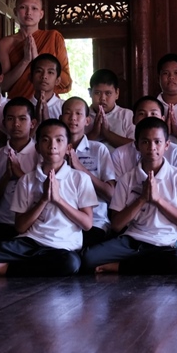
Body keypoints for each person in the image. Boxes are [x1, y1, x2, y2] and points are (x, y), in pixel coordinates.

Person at [0, 119, 97, 277]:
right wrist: (44, 199)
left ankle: (6, 268)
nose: (52, 146)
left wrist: (58, 200)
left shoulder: (80, 179)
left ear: (68, 148)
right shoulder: (26, 180)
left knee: (70, 264)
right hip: (28, 242)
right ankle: (25, 264)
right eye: (45, 140)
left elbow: (87, 224)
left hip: (61, 247)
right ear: (37, 147)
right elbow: (20, 227)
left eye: (59, 140)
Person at [82, 117, 177, 274]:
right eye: (145, 142)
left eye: (157, 142)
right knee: (89, 258)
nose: (152, 147)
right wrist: (142, 199)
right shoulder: (127, 179)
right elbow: (117, 225)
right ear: (136, 145)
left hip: (166, 243)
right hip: (133, 240)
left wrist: (158, 200)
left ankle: (119, 267)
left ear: (167, 145)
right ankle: (143, 262)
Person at [0, 98, 39, 244]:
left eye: (22, 119)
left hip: (36, 225)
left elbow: (48, 193)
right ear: (4, 122)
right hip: (2, 223)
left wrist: (21, 176)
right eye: (10, 119)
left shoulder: (41, 154)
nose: (16, 124)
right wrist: (6, 177)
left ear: (32, 123)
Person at [61, 96, 117, 248]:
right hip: (61, 221)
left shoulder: (98, 149)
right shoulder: (54, 150)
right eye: (68, 113)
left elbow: (111, 194)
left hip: (95, 221)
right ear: (60, 118)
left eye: (78, 113)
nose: (73, 118)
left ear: (87, 120)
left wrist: (80, 167)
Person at [0, 0, 72, 99]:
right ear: (15, 11)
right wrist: (25, 61)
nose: (29, 12)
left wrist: (37, 59)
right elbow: (4, 85)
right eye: (23, 7)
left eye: (34, 8)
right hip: (18, 104)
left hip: (48, 103)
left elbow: (66, 82)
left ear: (41, 14)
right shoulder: (5, 44)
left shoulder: (53, 37)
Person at [111, 97, 177, 178]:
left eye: (153, 114)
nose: (148, 117)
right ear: (133, 119)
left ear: (162, 119)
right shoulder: (119, 154)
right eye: (142, 114)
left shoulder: (175, 152)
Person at [87, 68, 134, 151]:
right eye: (97, 93)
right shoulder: (82, 115)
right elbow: (73, 146)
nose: (102, 98)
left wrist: (107, 133)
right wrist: (94, 133)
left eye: (108, 93)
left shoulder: (126, 115)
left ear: (117, 93)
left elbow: (135, 146)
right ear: (90, 93)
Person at [28, 53, 64, 123]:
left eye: (50, 72)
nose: (44, 76)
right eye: (39, 71)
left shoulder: (64, 107)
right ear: (30, 77)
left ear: (57, 80)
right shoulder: (23, 108)